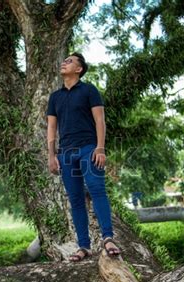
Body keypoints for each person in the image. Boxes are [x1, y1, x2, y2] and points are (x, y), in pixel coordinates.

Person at [46, 52, 121, 262]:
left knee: (97, 190)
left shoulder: (89, 90)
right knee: (76, 199)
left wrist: (100, 148)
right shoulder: (55, 97)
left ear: (79, 69)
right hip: (66, 154)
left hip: (89, 148)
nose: (64, 62)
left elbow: (100, 120)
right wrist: (52, 155)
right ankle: (84, 246)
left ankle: (108, 238)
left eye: (69, 61)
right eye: (64, 60)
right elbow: (52, 127)